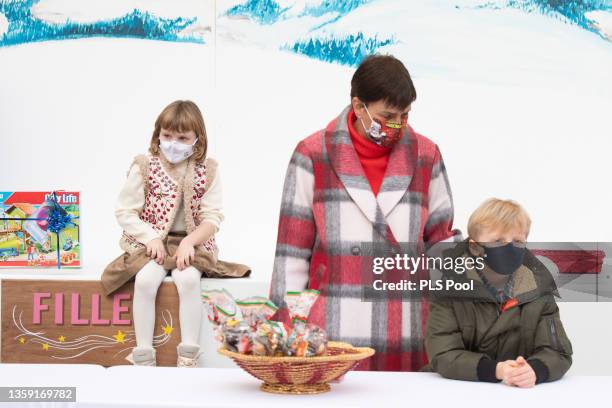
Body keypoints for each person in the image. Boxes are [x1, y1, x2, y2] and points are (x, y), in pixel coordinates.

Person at [270, 55, 460, 371]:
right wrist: (284, 330)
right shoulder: (312, 154)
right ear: (359, 107)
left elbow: (441, 241)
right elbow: (291, 253)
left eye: (405, 115)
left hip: (407, 326)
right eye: (388, 116)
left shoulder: (427, 155)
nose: (398, 125)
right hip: (332, 329)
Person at [102, 100, 250, 367]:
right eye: (167, 135)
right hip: (152, 241)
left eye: (183, 138)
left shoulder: (209, 169)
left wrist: (190, 243)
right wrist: (151, 237)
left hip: (191, 242)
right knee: (146, 281)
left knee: (188, 280)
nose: (173, 143)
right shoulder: (145, 166)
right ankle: (144, 355)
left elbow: (212, 217)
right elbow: (125, 211)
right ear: (158, 134)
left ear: (197, 139)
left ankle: (189, 355)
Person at [424, 198, 572, 387]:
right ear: (475, 247)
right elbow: (443, 354)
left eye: (518, 241)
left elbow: (557, 352)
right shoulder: (449, 290)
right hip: (460, 392)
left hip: (519, 395)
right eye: (498, 241)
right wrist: (497, 370)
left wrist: (534, 370)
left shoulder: (539, 291)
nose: (509, 248)